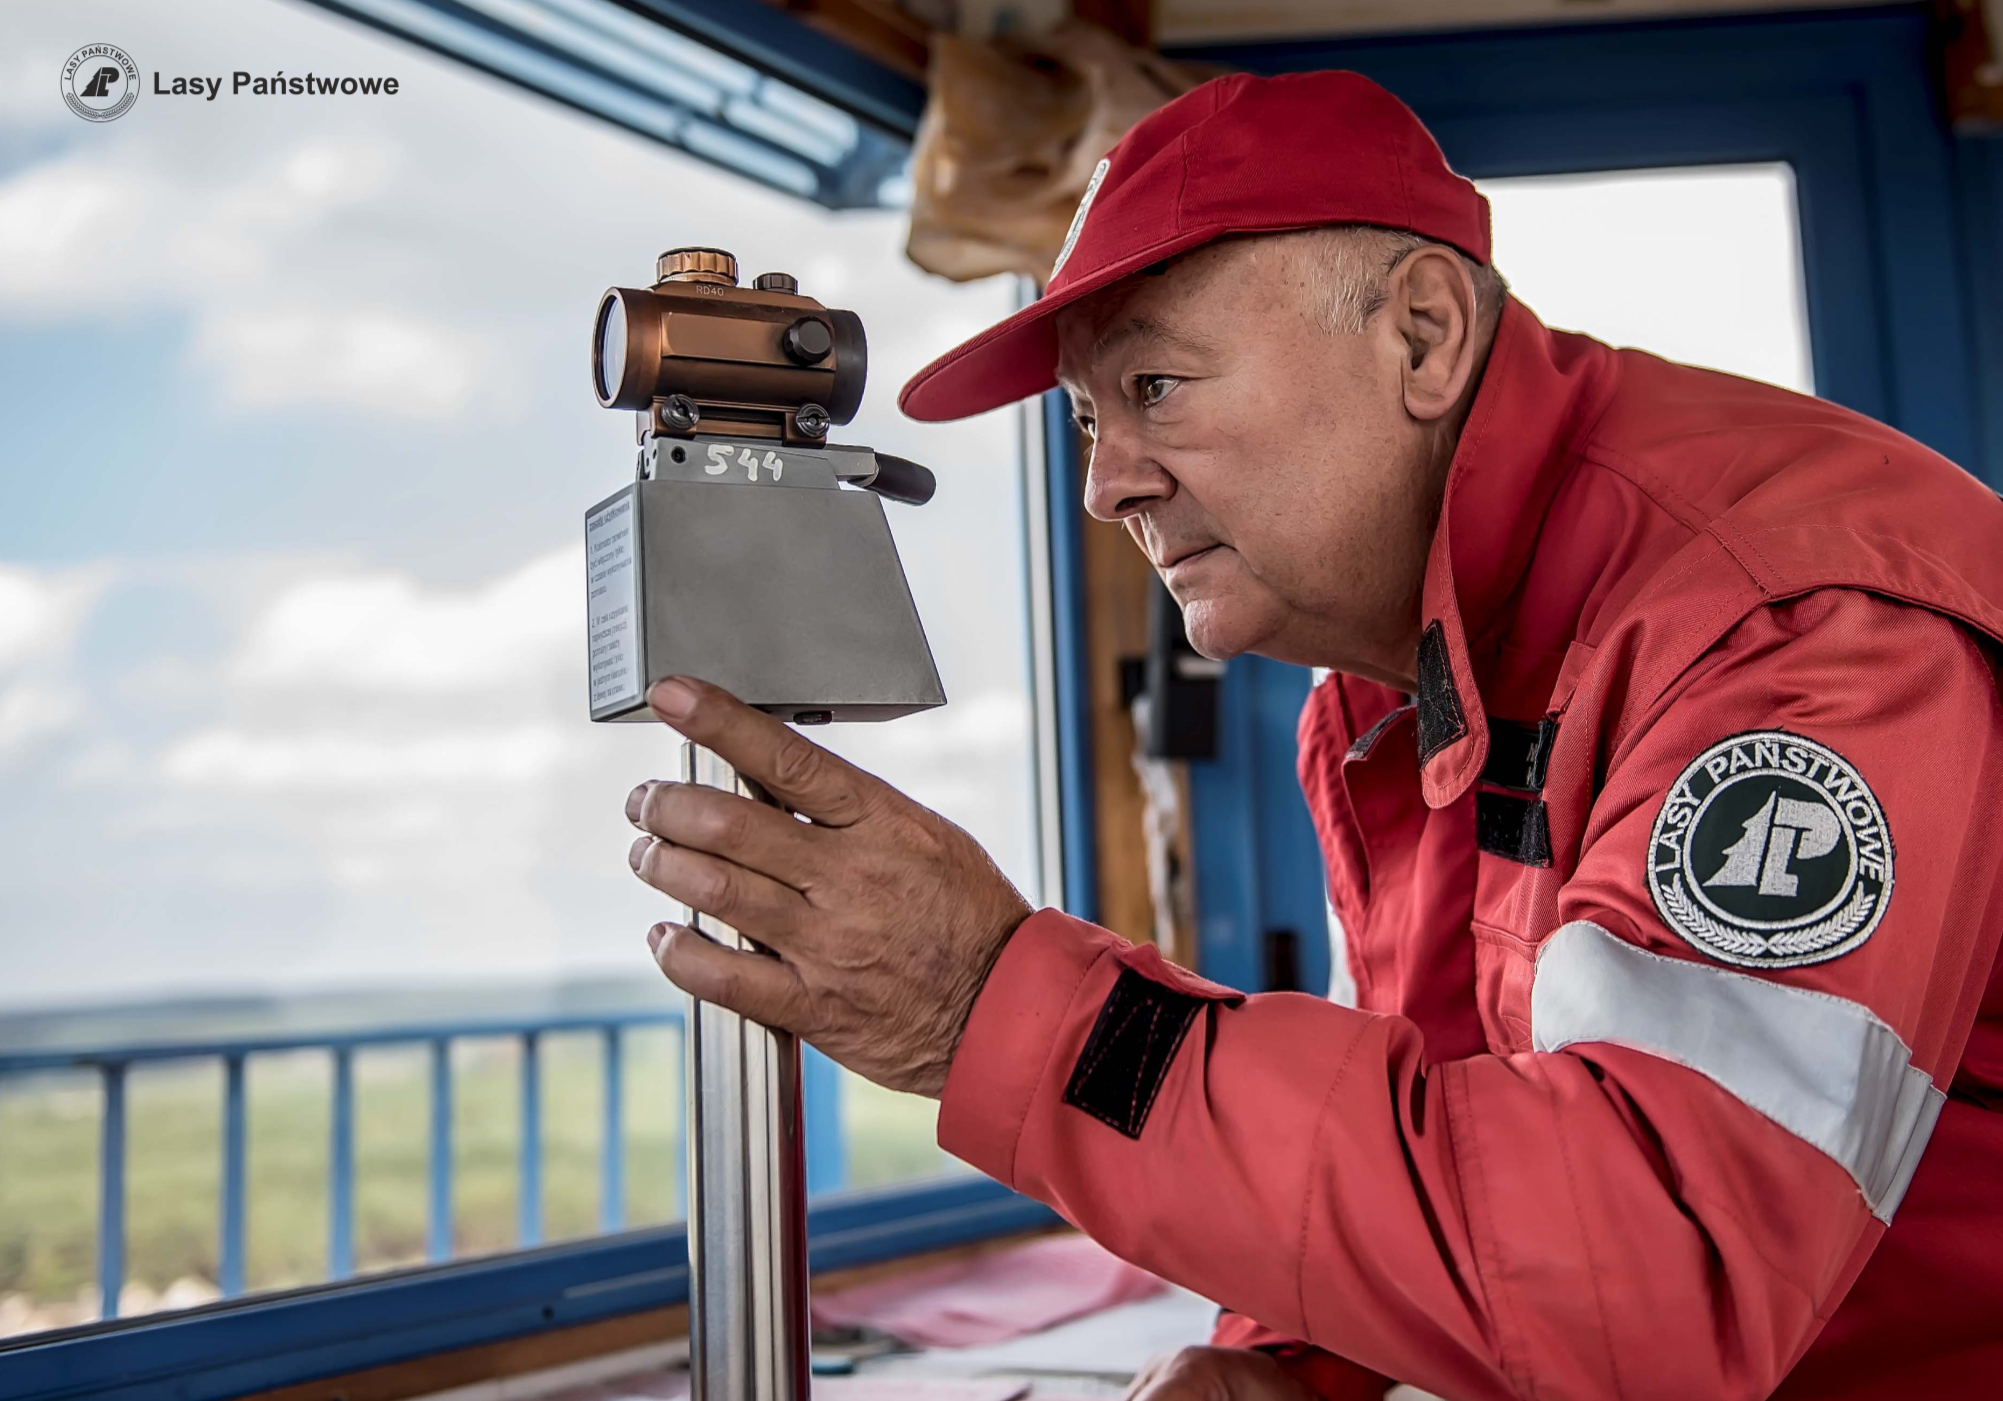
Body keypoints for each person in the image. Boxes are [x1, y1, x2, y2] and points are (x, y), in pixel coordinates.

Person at [620, 70, 2003, 1399]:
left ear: (1422, 334)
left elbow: (1651, 1280)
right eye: (1088, 420)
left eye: (1153, 387)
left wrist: (990, 1001)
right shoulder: (1395, 681)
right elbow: (1455, 1104)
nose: (1107, 485)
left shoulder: (1785, 624)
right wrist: (1299, 1361)